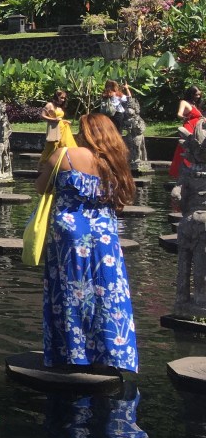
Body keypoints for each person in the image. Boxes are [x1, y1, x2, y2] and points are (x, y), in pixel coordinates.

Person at [34, 112, 138, 373]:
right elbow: (122, 201)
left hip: (69, 234)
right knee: (107, 290)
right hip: (105, 236)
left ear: (87, 134)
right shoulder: (114, 162)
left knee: (70, 290)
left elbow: (42, 187)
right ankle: (112, 352)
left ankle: (71, 352)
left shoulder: (65, 156)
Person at [171, 85, 204, 178]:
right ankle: (182, 172)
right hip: (189, 128)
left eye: (199, 95)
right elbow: (179, 114)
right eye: (196, 95)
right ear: (191, 94)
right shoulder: (184, 102)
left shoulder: (195, 105)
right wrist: (184, 117)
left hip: (197, 129)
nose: (198, 97)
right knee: (187, 149)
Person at [40, 90, 74, 163]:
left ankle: (59, 163)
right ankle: (44, 164)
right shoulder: (49, 105)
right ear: (56, 96)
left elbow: (60, 119)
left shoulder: (59, 107)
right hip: (53, 129)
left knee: (63, 146)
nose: (63, 100)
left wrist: (65, 121)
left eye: (64, 98)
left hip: (62, 129)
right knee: (51, 146)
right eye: (61, 98)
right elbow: (42, 116)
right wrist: (53, 119)